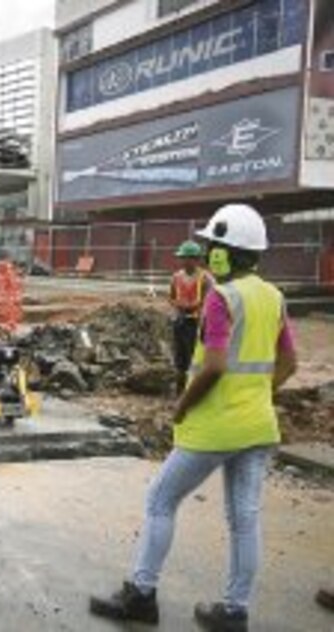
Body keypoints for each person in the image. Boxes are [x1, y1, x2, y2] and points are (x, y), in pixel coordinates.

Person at [89, 204, 298, 631]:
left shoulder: (222, 297)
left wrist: (182, 405)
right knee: (244, 519)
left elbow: (215, 366)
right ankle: (234, 612)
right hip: (258, 426)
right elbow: (289, 363)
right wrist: (261, 394)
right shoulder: (274, 297)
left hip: (214, 426)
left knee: (160, 500)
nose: (205, 254)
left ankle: (141, 596)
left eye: (211, 247)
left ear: (226, 253)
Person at [169, 240, 213, 394]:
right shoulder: (176, 277)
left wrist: (195, 306)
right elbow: (172, 297)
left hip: (197, 323)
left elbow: (210, 300)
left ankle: (194, 389)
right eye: (182, 258)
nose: (183, 261)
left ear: (196, 259)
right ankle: (180, 390)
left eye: (186, 258)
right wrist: (178, 304)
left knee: (194, 356)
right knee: (180, 357)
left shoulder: (205, 278)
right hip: (180, 321)